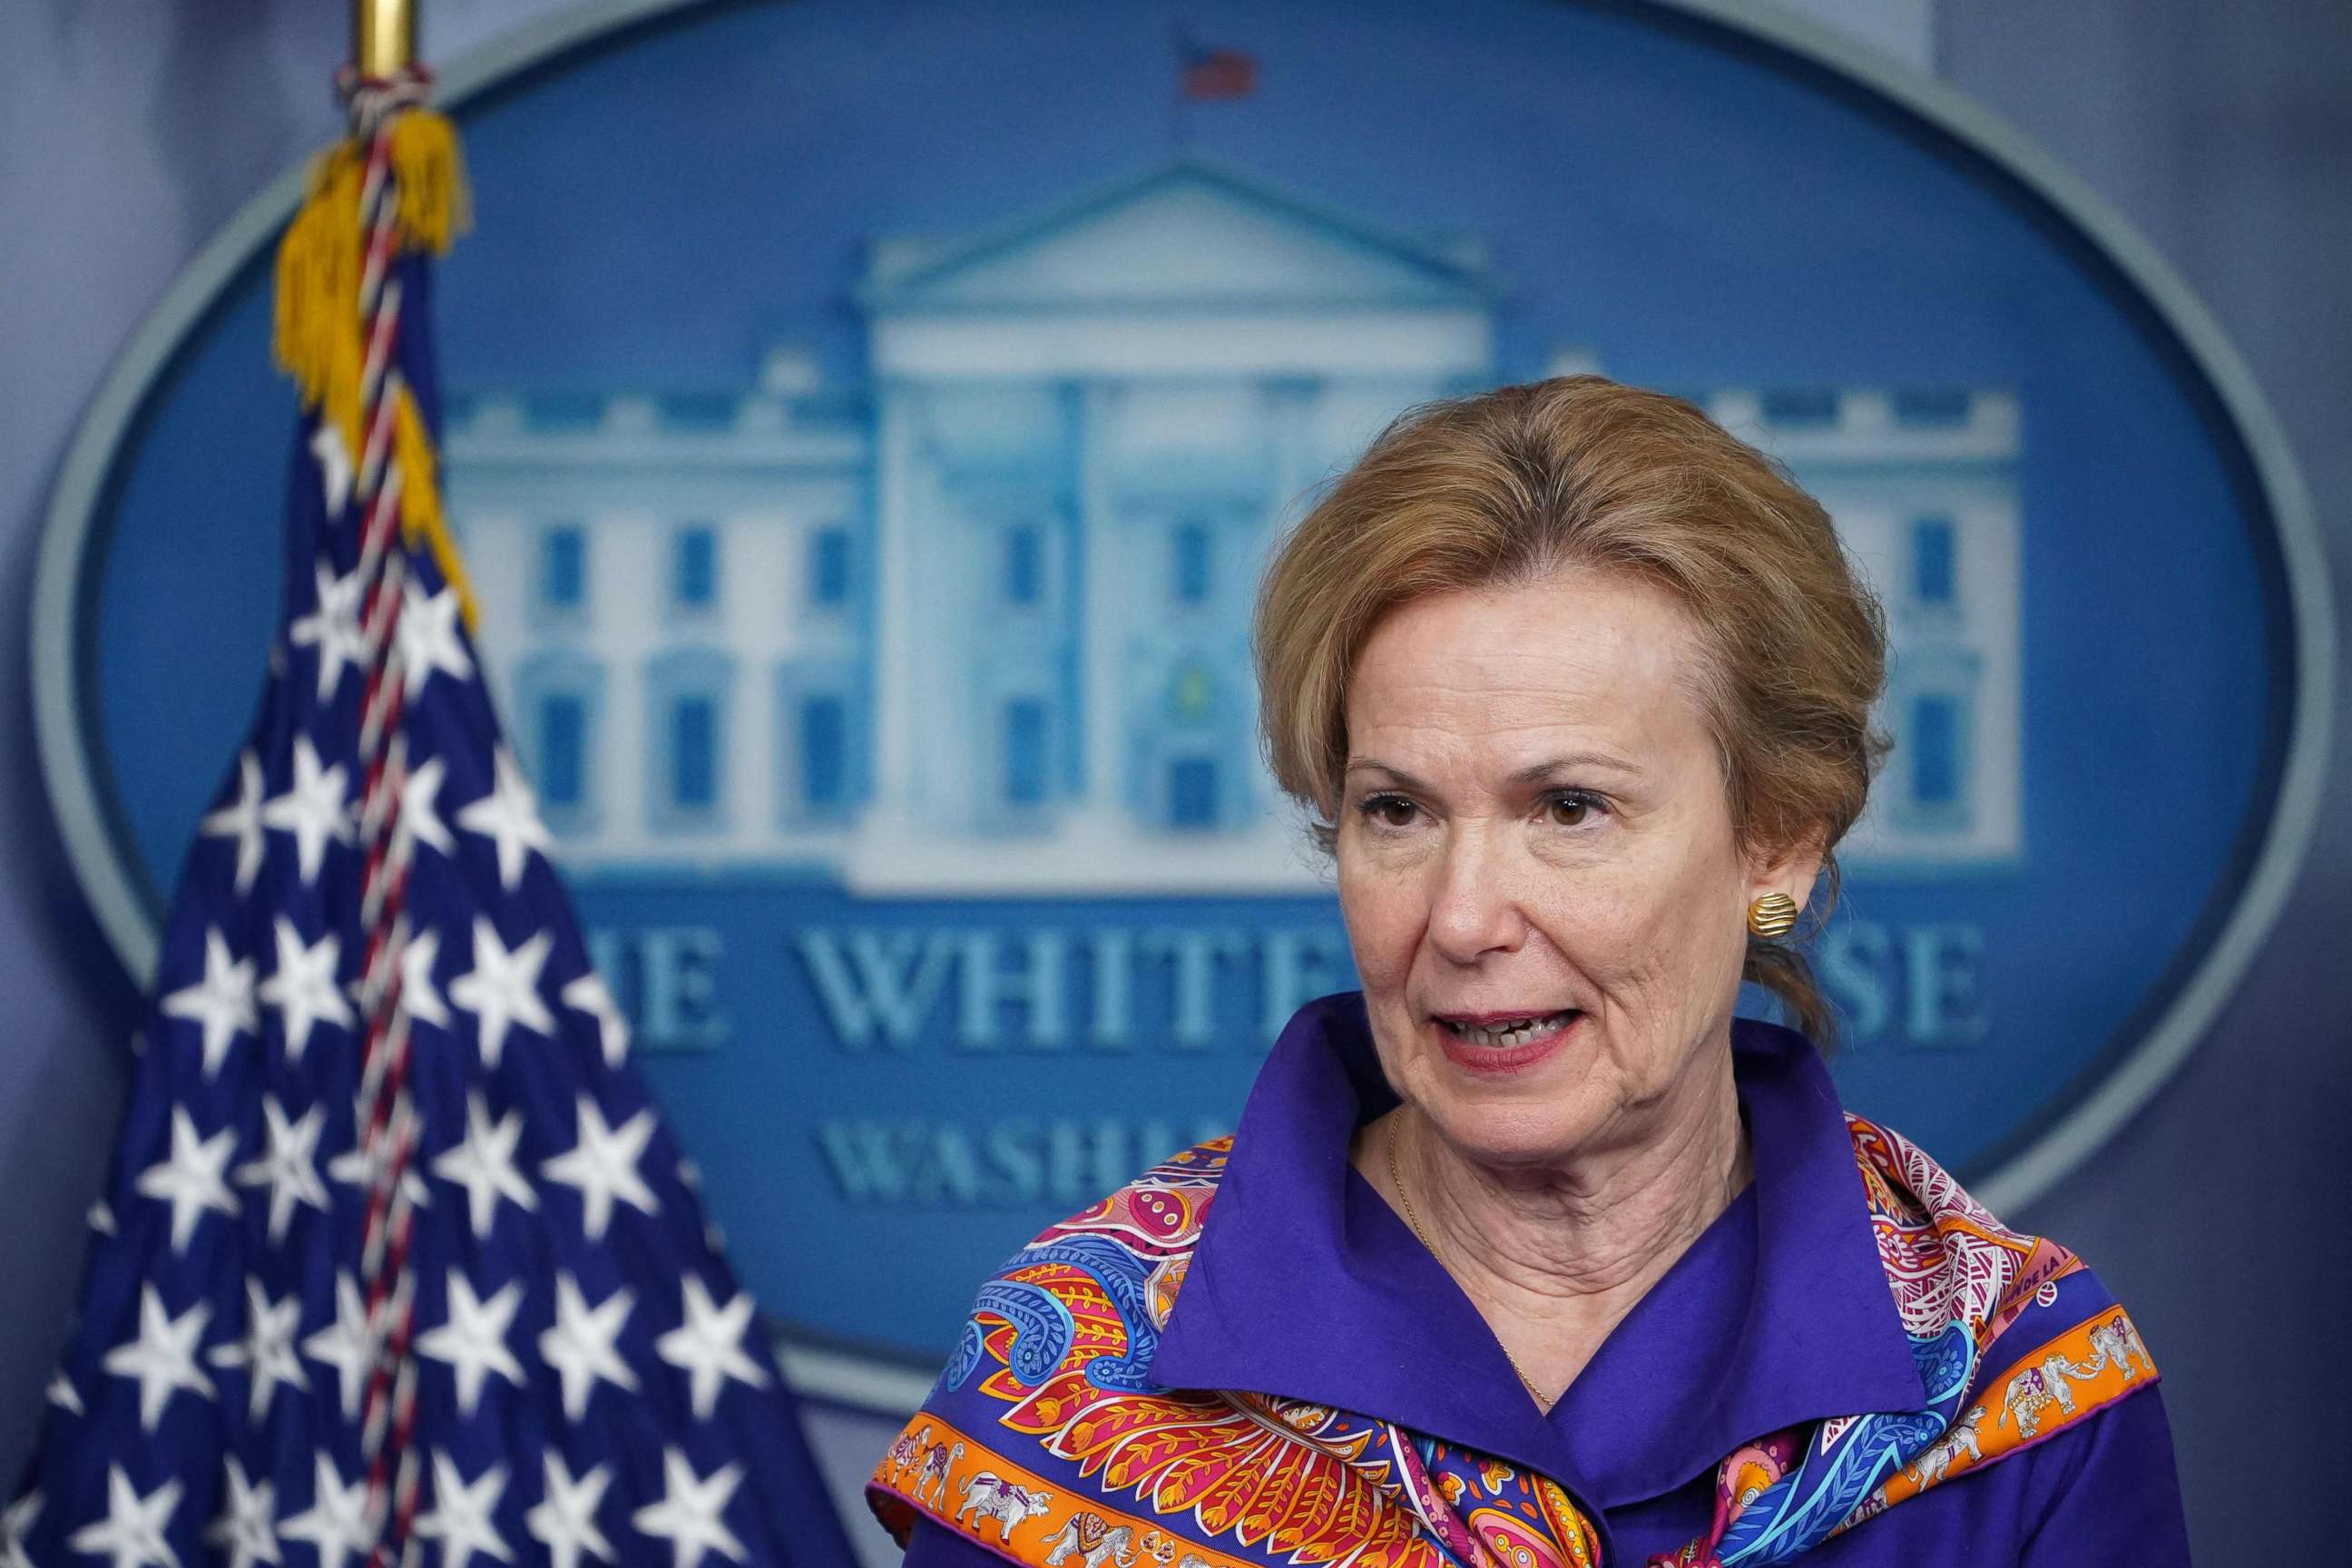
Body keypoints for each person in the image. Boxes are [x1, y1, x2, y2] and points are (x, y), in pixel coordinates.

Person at [866, 377, 2190, 1567]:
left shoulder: (2016, 1389)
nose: (1461, 918)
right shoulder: (1079, 1372)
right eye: (1398, 813)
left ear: (1776, 841)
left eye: (1568, 808)